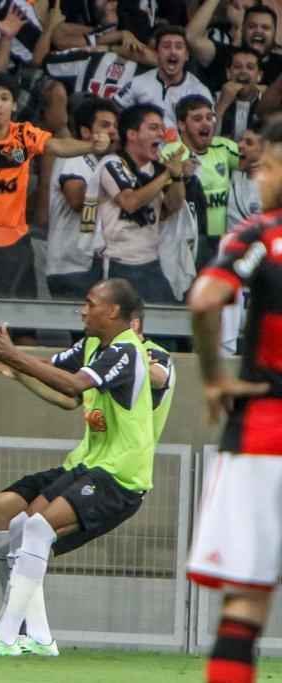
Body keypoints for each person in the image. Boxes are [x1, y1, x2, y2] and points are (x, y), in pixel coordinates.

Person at [0, 278, 155, 656]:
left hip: (122, 476)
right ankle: (35, 636)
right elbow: (50, 371)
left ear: (112, 311)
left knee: (34, 530)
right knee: (24, 527)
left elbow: (71, 386)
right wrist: (5, 357)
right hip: (91, 465)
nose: (82, 309)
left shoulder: (127, 352)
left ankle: (8, 633)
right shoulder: (94, 345)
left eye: (89, 302)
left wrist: (15, 356)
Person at [185, 114, 282, 683]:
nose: (260, 176)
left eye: (267, 165)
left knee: (245, 603)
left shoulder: (260, 233)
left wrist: (215, 379)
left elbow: (205, 300)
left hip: (265, 432)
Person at [0, 71, 111, 298]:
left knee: (21, 326)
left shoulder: (25, 135)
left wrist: (91, 147)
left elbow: (57, 146)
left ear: (14, 104)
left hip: (14, 244)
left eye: (4, 98)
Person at [95, 104, 187, 304]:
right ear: (132, 134)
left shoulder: (158, 169)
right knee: (123, 330)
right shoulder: (112, 163)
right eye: (153, 128)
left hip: (152, 263)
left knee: (168, 330)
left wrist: (178, 177)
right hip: (119, 264)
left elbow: (173, 206)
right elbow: (130, 202)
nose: (161, 134)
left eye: (162, 128)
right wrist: (167, 175)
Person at [46, 98, 119, 300]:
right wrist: (117, 192)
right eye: (105, 125)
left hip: (93, 264)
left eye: (115, 126)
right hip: (70, 267)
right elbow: (76, 199)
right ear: (86, 132)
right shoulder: (73, 158)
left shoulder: (105, 162)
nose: (113, 131)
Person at [163, 95, 240, 268]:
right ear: (181, 125)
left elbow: (255, 158)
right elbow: (165, 204)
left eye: (209, 117)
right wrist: (179, 176)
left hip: (223, 239)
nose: (206, 124)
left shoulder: (223, 147)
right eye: (197, 119)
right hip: (187, 241)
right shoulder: (171, 154)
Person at [113, 26, 213, 131]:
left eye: (178, 47)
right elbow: (115, 111)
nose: (172, 51)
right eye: (166, 46)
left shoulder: (199, 90)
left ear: (186, 55)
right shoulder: (138, 82)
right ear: (157, 53)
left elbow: (208, 130)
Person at [216, 48, 264, 140]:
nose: (243, 71)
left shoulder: (266, 102)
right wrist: (222, 105)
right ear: (228, 73)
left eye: (250, 67)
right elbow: (205, 138)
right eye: (237, 67)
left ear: (259, 76)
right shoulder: (214, 98)